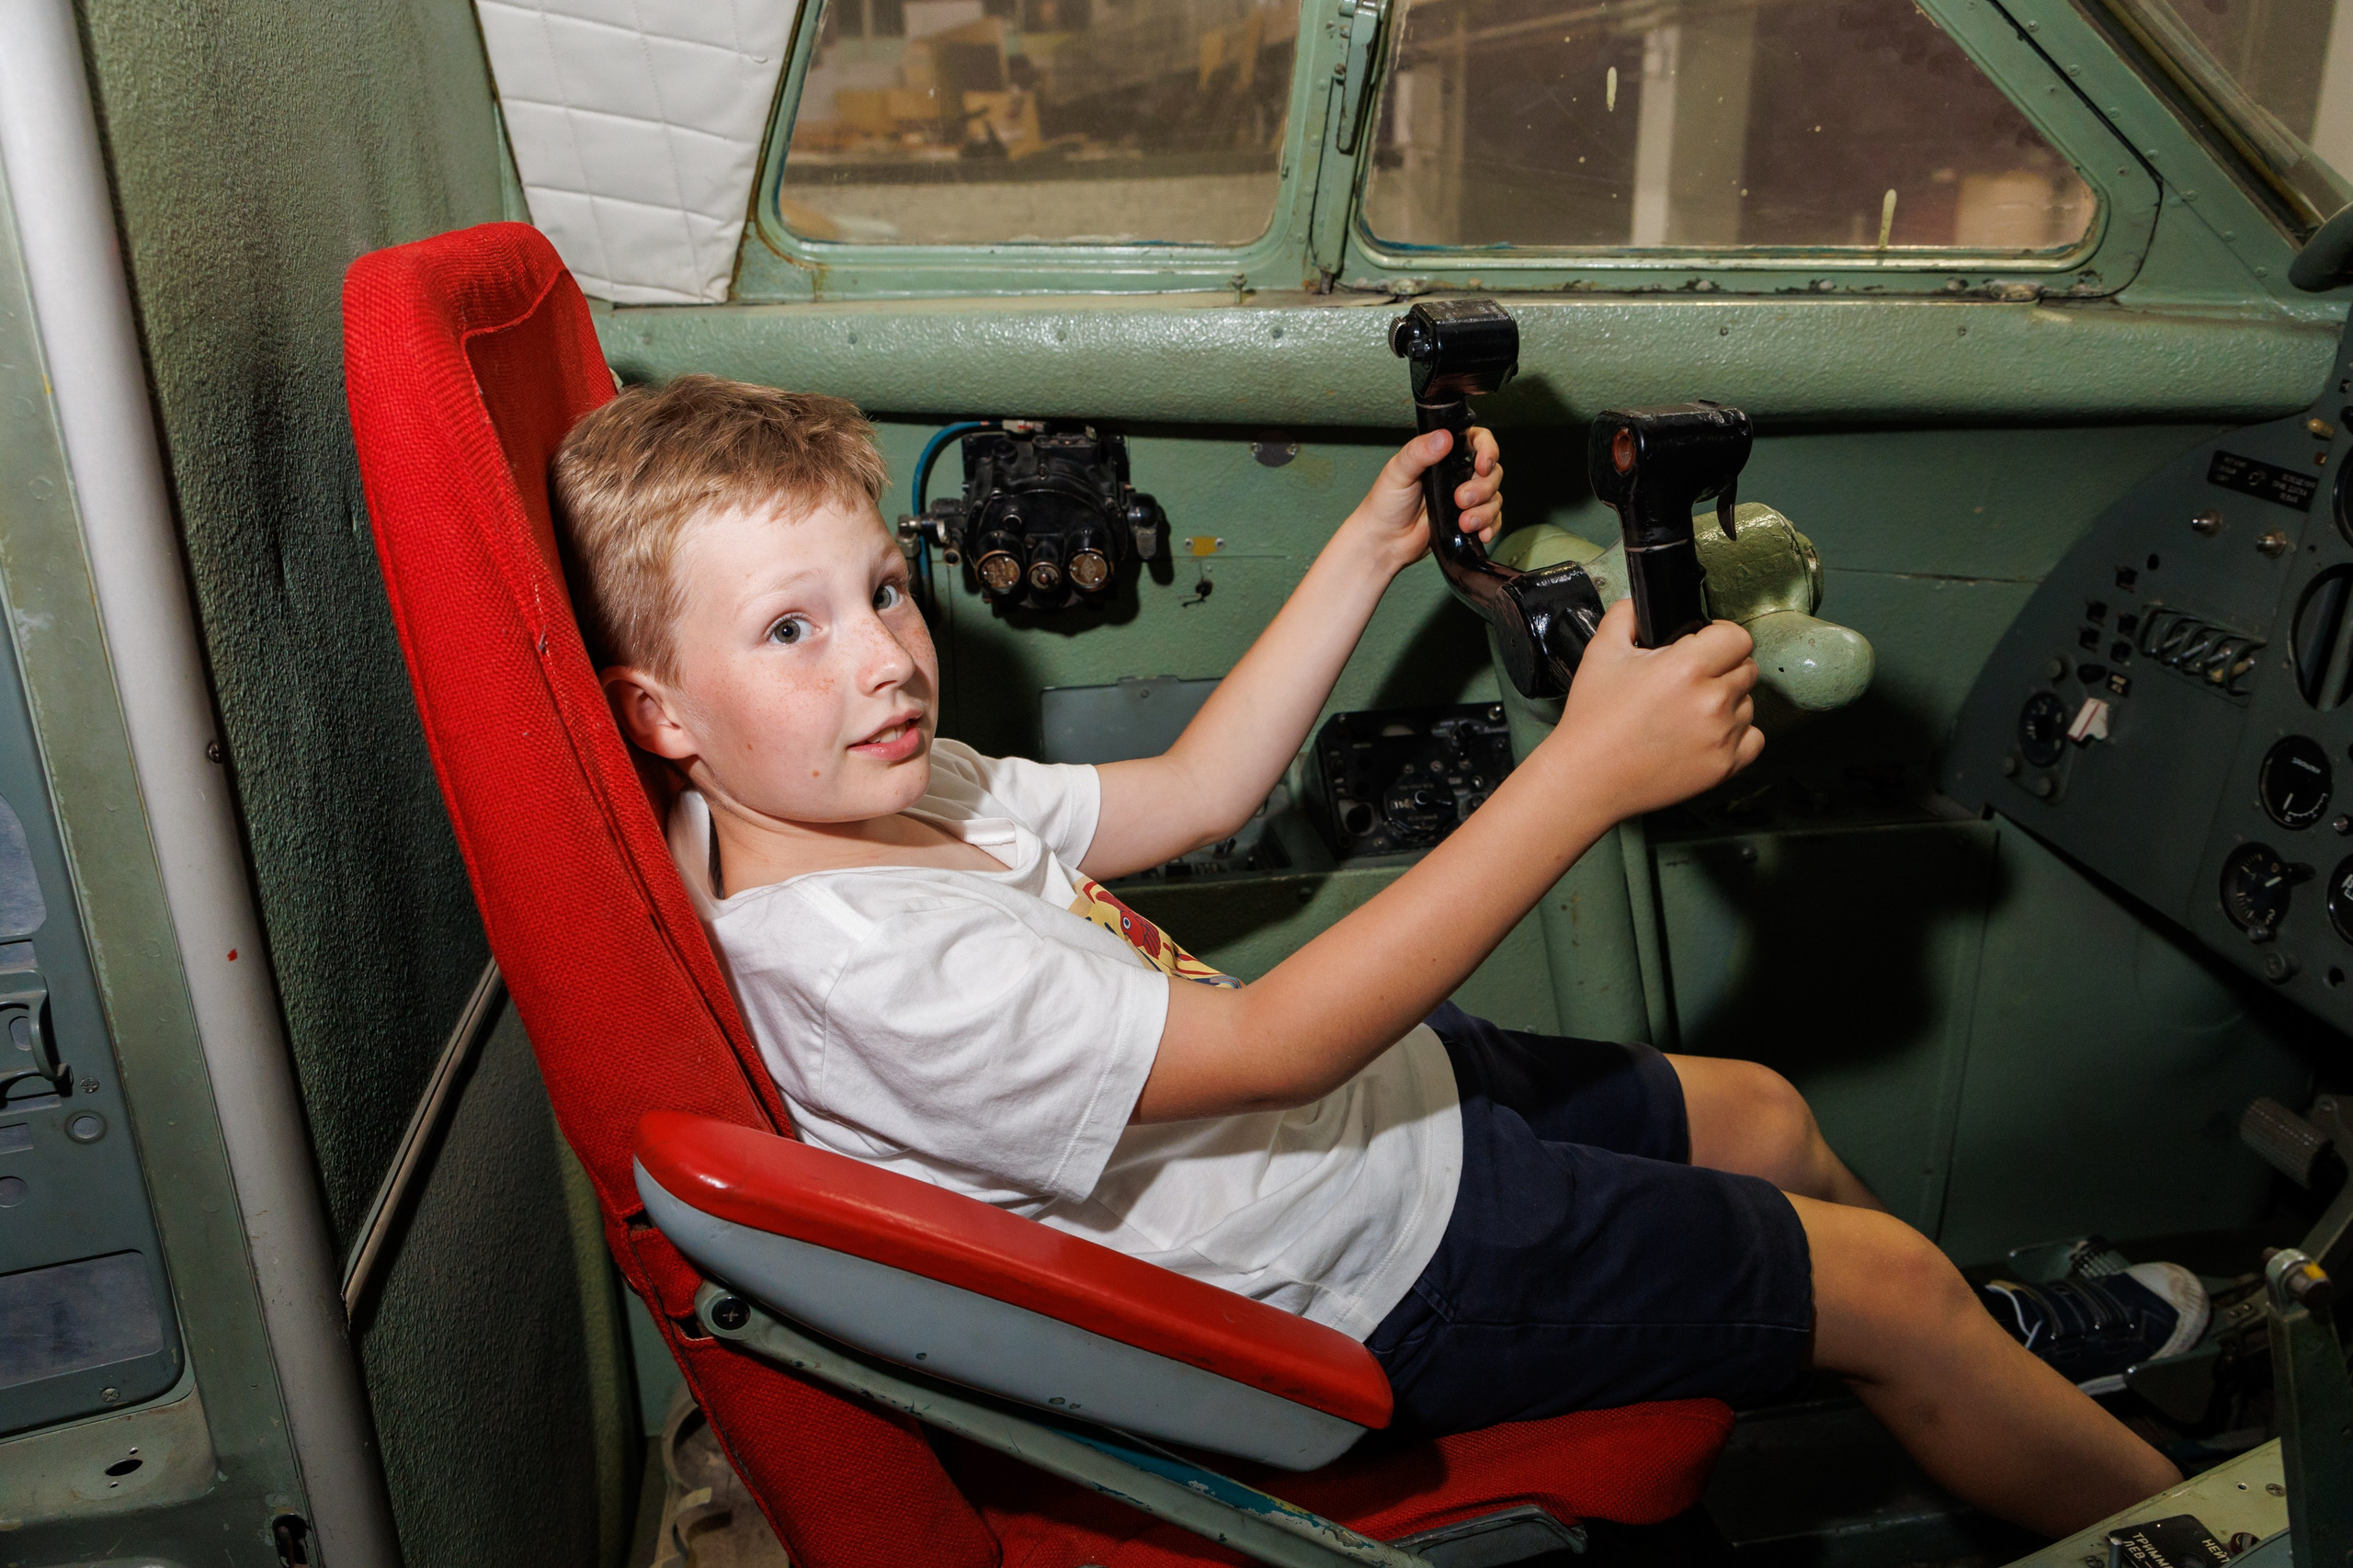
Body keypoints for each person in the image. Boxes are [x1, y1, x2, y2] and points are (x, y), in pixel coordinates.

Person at [554, 374, 2195, 1538]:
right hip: (1364, 1265)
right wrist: (1586, 773)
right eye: (793, 627)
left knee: (1762, 1109)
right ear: (663, 715)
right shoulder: (869, 972)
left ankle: (1983, 1352)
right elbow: (1269, 1047)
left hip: (1361, 1122)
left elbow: (1202, 789)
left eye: (884, 590)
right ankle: (2193, 1511)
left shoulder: (892, 788)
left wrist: (1368, 544)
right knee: (1886, 1286)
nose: (886, 660)